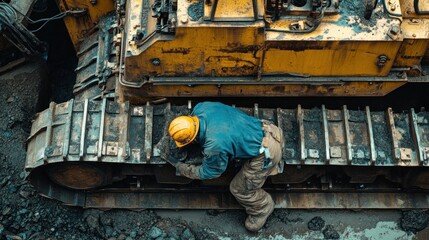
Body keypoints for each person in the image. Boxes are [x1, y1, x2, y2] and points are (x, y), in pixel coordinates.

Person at [168, 101, 284, 232]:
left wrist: (182, 168)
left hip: (269, 151)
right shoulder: (202, 107)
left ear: (192, 139)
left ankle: (262, 209)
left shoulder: (215, 145)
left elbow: (210, 172)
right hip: (268, 128)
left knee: (239, 189)